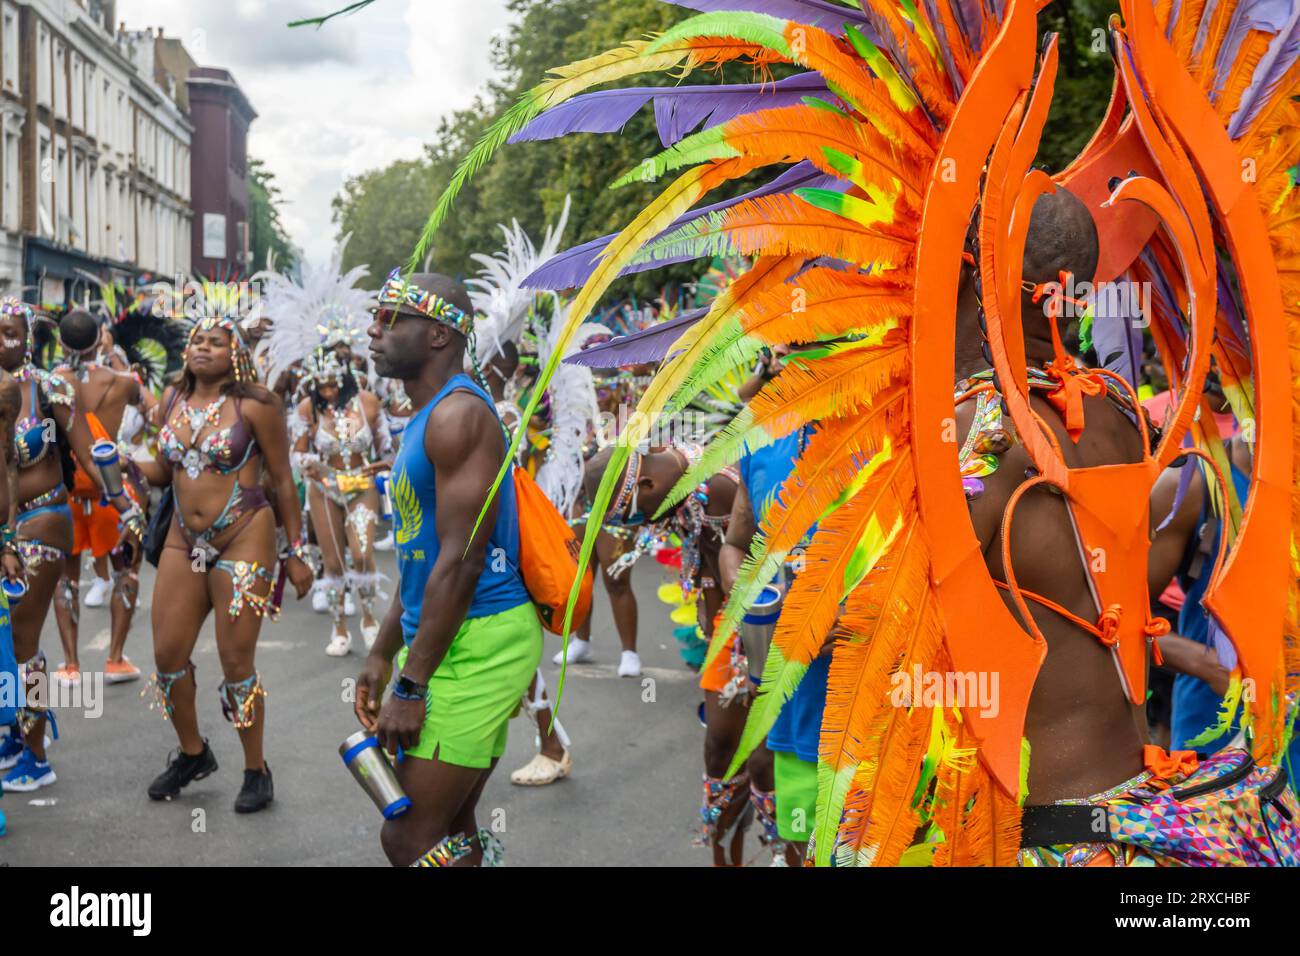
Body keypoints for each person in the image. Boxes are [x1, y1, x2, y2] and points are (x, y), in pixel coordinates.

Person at [355, 271, 541, 867]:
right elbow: (419, 554)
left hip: (481, 639)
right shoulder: (425, 416)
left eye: (391, 320)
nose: (374, 330)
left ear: (438, 336)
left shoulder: (456, 416)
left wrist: (410, 684)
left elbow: (460, 565)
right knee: (451, 826)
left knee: (409, 835)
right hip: (448, 634)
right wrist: (383, 651)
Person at [137, 306, 312, 813]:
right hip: (183, 543)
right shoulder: (172, 398)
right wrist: (120, 461)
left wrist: (296, 552)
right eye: (196, 340)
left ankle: (255, 769)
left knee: (237, 662)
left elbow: (282, 480)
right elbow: (162, 470)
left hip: (243, 538)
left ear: (235, 352)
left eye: (214, 341)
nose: (202, 347)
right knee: (168, 658)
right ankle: (194, 753)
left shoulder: (256, 405)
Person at [0, 299, 142, 793]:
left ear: (29, 336)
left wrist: (123, 504)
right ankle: (16, 735)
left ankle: (36, 756)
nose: (3, 342)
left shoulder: (48, 388)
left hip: (42, 520)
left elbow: (91, 450)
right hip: (3, 532)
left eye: (11, 333)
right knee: (6, 641)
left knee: (23, 641)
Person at [51, 310, 145, 687]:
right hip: (112, 490)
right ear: (100, 339)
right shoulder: (123, 381)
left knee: (65, 578)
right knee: (127, 571)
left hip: (67, 490)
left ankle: (71, 664)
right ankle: (116, 658)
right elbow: (151, 406)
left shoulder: (53, 383)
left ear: (61, 344)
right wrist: (118, 359)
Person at [292, 348, 390, 655]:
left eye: (334, 384)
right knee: (332, 562)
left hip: (362, 486)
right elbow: (297, 453)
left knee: (361, 554)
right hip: (324, 489)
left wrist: (384, 463)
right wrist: (310, 464)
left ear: (345, 379)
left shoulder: (368, 403)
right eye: (322, 386)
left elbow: (387, 447)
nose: (328, 391)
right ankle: (339, 628)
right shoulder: (308, 409)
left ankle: (370, 620)